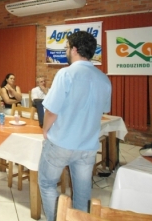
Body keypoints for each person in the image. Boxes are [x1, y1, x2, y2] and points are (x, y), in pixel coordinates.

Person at [38, 31, 112, 221]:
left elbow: (52, 110)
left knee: (47, 184)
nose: (66, 51)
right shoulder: (104, 79)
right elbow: (102, 111)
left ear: (75, 49)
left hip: (61, 143)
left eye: (67, 47)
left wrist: (45, 130)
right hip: (87, 146)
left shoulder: (66, 73)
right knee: (82, 192)